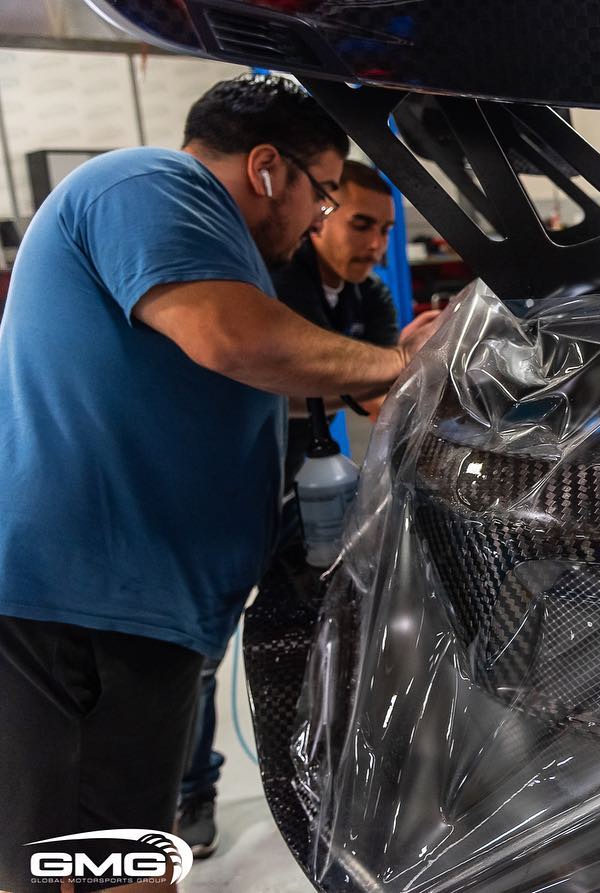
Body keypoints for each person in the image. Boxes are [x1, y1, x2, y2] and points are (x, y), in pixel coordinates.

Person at [0, 75, 439, 893]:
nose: (320, 217)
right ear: (268, 166)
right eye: (324, 193)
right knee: (83, 867)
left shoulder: (214, 235)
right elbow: (229, 335)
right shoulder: (149, 182)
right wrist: (409, 367)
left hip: (136, 603)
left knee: (122, 853)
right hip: (83, 601)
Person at [175, 160, 407, 856]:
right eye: (360, 223)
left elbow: (377, 394)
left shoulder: (369, 298)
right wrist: (354, 370)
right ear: (321, 213)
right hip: (224, 491)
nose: (372, 243)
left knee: (324, 623)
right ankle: (192, 793)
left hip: (306, 492)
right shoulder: (277, 287)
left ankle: (331, 771)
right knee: (200, 655)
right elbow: (262, 373)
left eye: (385, 230)